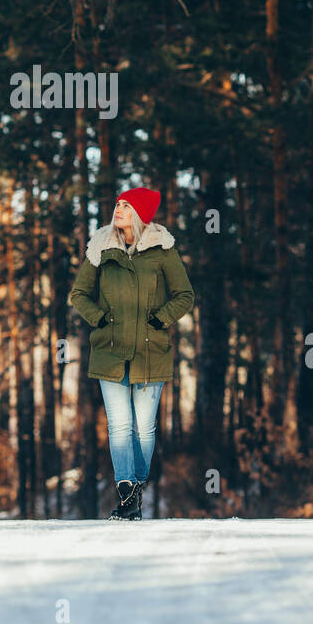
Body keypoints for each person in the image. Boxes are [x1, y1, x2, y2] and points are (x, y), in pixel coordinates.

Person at [69, 187, 194, 520]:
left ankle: (136, 487)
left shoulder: (162, 251)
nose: (119, 209)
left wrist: (160, 318)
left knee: (144, 428)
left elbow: (184, 295)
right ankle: (127, 491)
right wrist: (99, 319)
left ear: (140, 213)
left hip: (150, 352)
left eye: (126, 205)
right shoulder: (101, 248)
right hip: (109, 352)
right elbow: (79, 294)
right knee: (119, 426)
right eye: (118, 204)